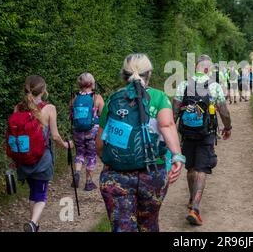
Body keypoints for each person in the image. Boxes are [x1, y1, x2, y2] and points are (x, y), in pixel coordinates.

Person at [96, 53, 183, 232]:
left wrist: (115, 161)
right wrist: (177, 156)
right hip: (152, 173)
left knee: (122, 226)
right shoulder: (159, 98)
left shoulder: (113, 99)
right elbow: (167, 125)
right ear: (149, 74)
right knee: (149, 224)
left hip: (116, 175)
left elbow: (100, 144)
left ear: (124, 75)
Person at [6, 75, 72, 232]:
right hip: (42, 159)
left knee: (33, 192)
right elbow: (55, 136)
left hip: (23, 159)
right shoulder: (49, 109)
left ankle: (33, 224)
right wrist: (66, 145)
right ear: (43, 90)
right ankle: (33, 223)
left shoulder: (18, 108)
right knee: (41, 195)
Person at [173, 55, 232, 226]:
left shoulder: (183, 85)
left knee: (191, 167)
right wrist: (227, 127)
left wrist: (170, 132)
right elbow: (224, 112)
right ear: (208, 69)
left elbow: (175, 111)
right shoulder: (214, 87)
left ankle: (192, 200)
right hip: (206, 133)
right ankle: (195, 209)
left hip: (187, 133)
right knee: (202, 169)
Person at [70, 73, 104, 191]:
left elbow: (71, 114)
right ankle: (88, 182)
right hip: (92, 131)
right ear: (91, 83)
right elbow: (103, 115)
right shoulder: (96, 97)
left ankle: (78, 172)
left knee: (79, 153)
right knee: (91, 155)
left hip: (77, 130)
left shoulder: (75, 98)